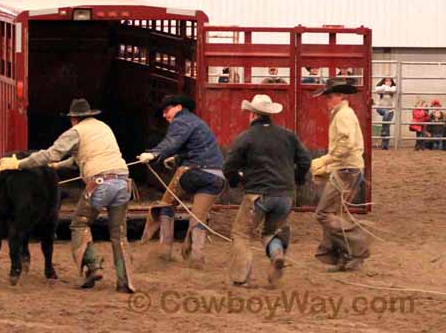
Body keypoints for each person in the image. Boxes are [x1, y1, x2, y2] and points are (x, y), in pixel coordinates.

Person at [0, 98, 135, 293]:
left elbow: (51, 153)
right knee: (118, 234)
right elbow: (79, 158)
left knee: (79, 224)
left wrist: (20, 164)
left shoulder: (75, 132)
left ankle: (93, 266)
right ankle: (125, 281)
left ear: (73, 119)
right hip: (122, 182)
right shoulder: (103, 128)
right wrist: (58, 166)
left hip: (100, 184)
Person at [223, 94, 311, 288]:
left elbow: (228, 166)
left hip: (258, 194)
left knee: (242, 233)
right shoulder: (288, 135)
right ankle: (276, 253)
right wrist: (297, 179)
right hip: (285, 195)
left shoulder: (245, 137)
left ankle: (240, 278)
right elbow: (305, 160)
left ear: (252, 115)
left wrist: (237, 181)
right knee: (271, 232)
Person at [138, 94, 225, 269]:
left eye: (166, 110)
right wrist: (177, 158)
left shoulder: (181, 121)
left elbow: (172, 141)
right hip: (216, 177)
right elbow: (196, 148)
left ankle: (164, 251)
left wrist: (154, 153)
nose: (164, 115)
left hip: (194, 173)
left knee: (165, 205)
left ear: (178, 107)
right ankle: (197, 258)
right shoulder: (198, 122)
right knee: (198, 216)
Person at [309, 78, 372, 272]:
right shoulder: (344, 113)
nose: (327, 100)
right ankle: (346, 256)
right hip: (348, 168)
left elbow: (345, 145)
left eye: (329, 96)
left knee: (324, 213)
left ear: (339, 96)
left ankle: (357, 244)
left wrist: (326, 161)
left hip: (346, 169)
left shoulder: (343, 115)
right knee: (332, 213)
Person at [375, 78, 397, 150]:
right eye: (386, 81)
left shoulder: (393, 88)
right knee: (386, 115)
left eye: (390, 81)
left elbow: (394, 89)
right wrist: (385, 87)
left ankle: (385, 145)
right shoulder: (382, 88)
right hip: (381, 108)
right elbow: (377, 89)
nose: (388, 82)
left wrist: (386, 88)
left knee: (387, 126)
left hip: (390, 109)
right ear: (384, 82)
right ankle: (383, 131)